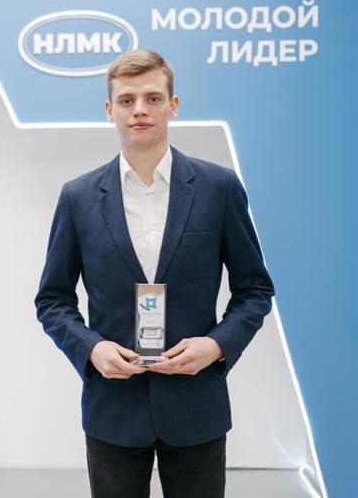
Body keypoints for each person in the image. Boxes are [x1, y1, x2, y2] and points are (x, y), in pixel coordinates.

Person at [34, 49, 275, 498]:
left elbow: (255, 290)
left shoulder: (219, 188)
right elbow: (52, 300)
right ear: (110, 110)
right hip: (113, 410)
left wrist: (216, 346)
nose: (139, 110)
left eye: (152, 98)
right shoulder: (77, 198)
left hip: (196, 406)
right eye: (126, 100)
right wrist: (91, 348)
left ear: (173, 105)